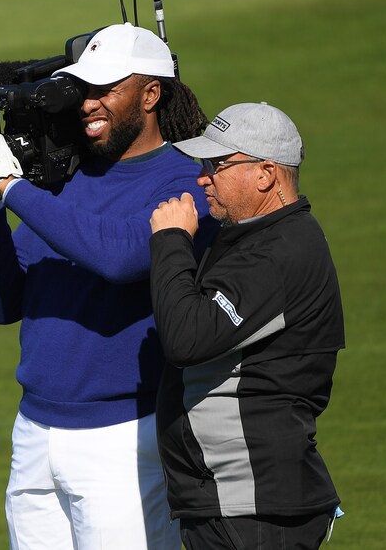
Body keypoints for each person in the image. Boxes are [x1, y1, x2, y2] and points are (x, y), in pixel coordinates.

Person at [0, 23, 216, 549]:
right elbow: (3, 302)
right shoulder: (68, 181)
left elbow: (120, 257)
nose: (88, 104)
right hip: (34, 432)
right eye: (84, 89)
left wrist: (12, 187)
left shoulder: (186, 179)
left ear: (150, 94)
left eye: (106, 89)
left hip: (122, 439)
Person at [148, 102, 345, 549]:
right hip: (238, 500)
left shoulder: (279, 254)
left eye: (218, 165)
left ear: (266, 175)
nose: (203, 178)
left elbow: (187, 337)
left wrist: (171, 241)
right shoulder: (256, 239)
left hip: (255, 506)